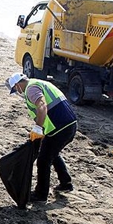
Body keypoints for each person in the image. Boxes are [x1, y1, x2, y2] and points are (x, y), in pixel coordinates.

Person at [7, 72, 78, 203]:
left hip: (59, 127)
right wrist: (43, 133)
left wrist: (38, 128)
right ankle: (66, 183)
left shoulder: (31, 89)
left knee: (43, 160)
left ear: (17, 85)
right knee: (52, 153)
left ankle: (41, 194)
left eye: (16, 89)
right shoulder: (39, 83)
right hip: (68, 125)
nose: (18, 92)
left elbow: (42, 106)